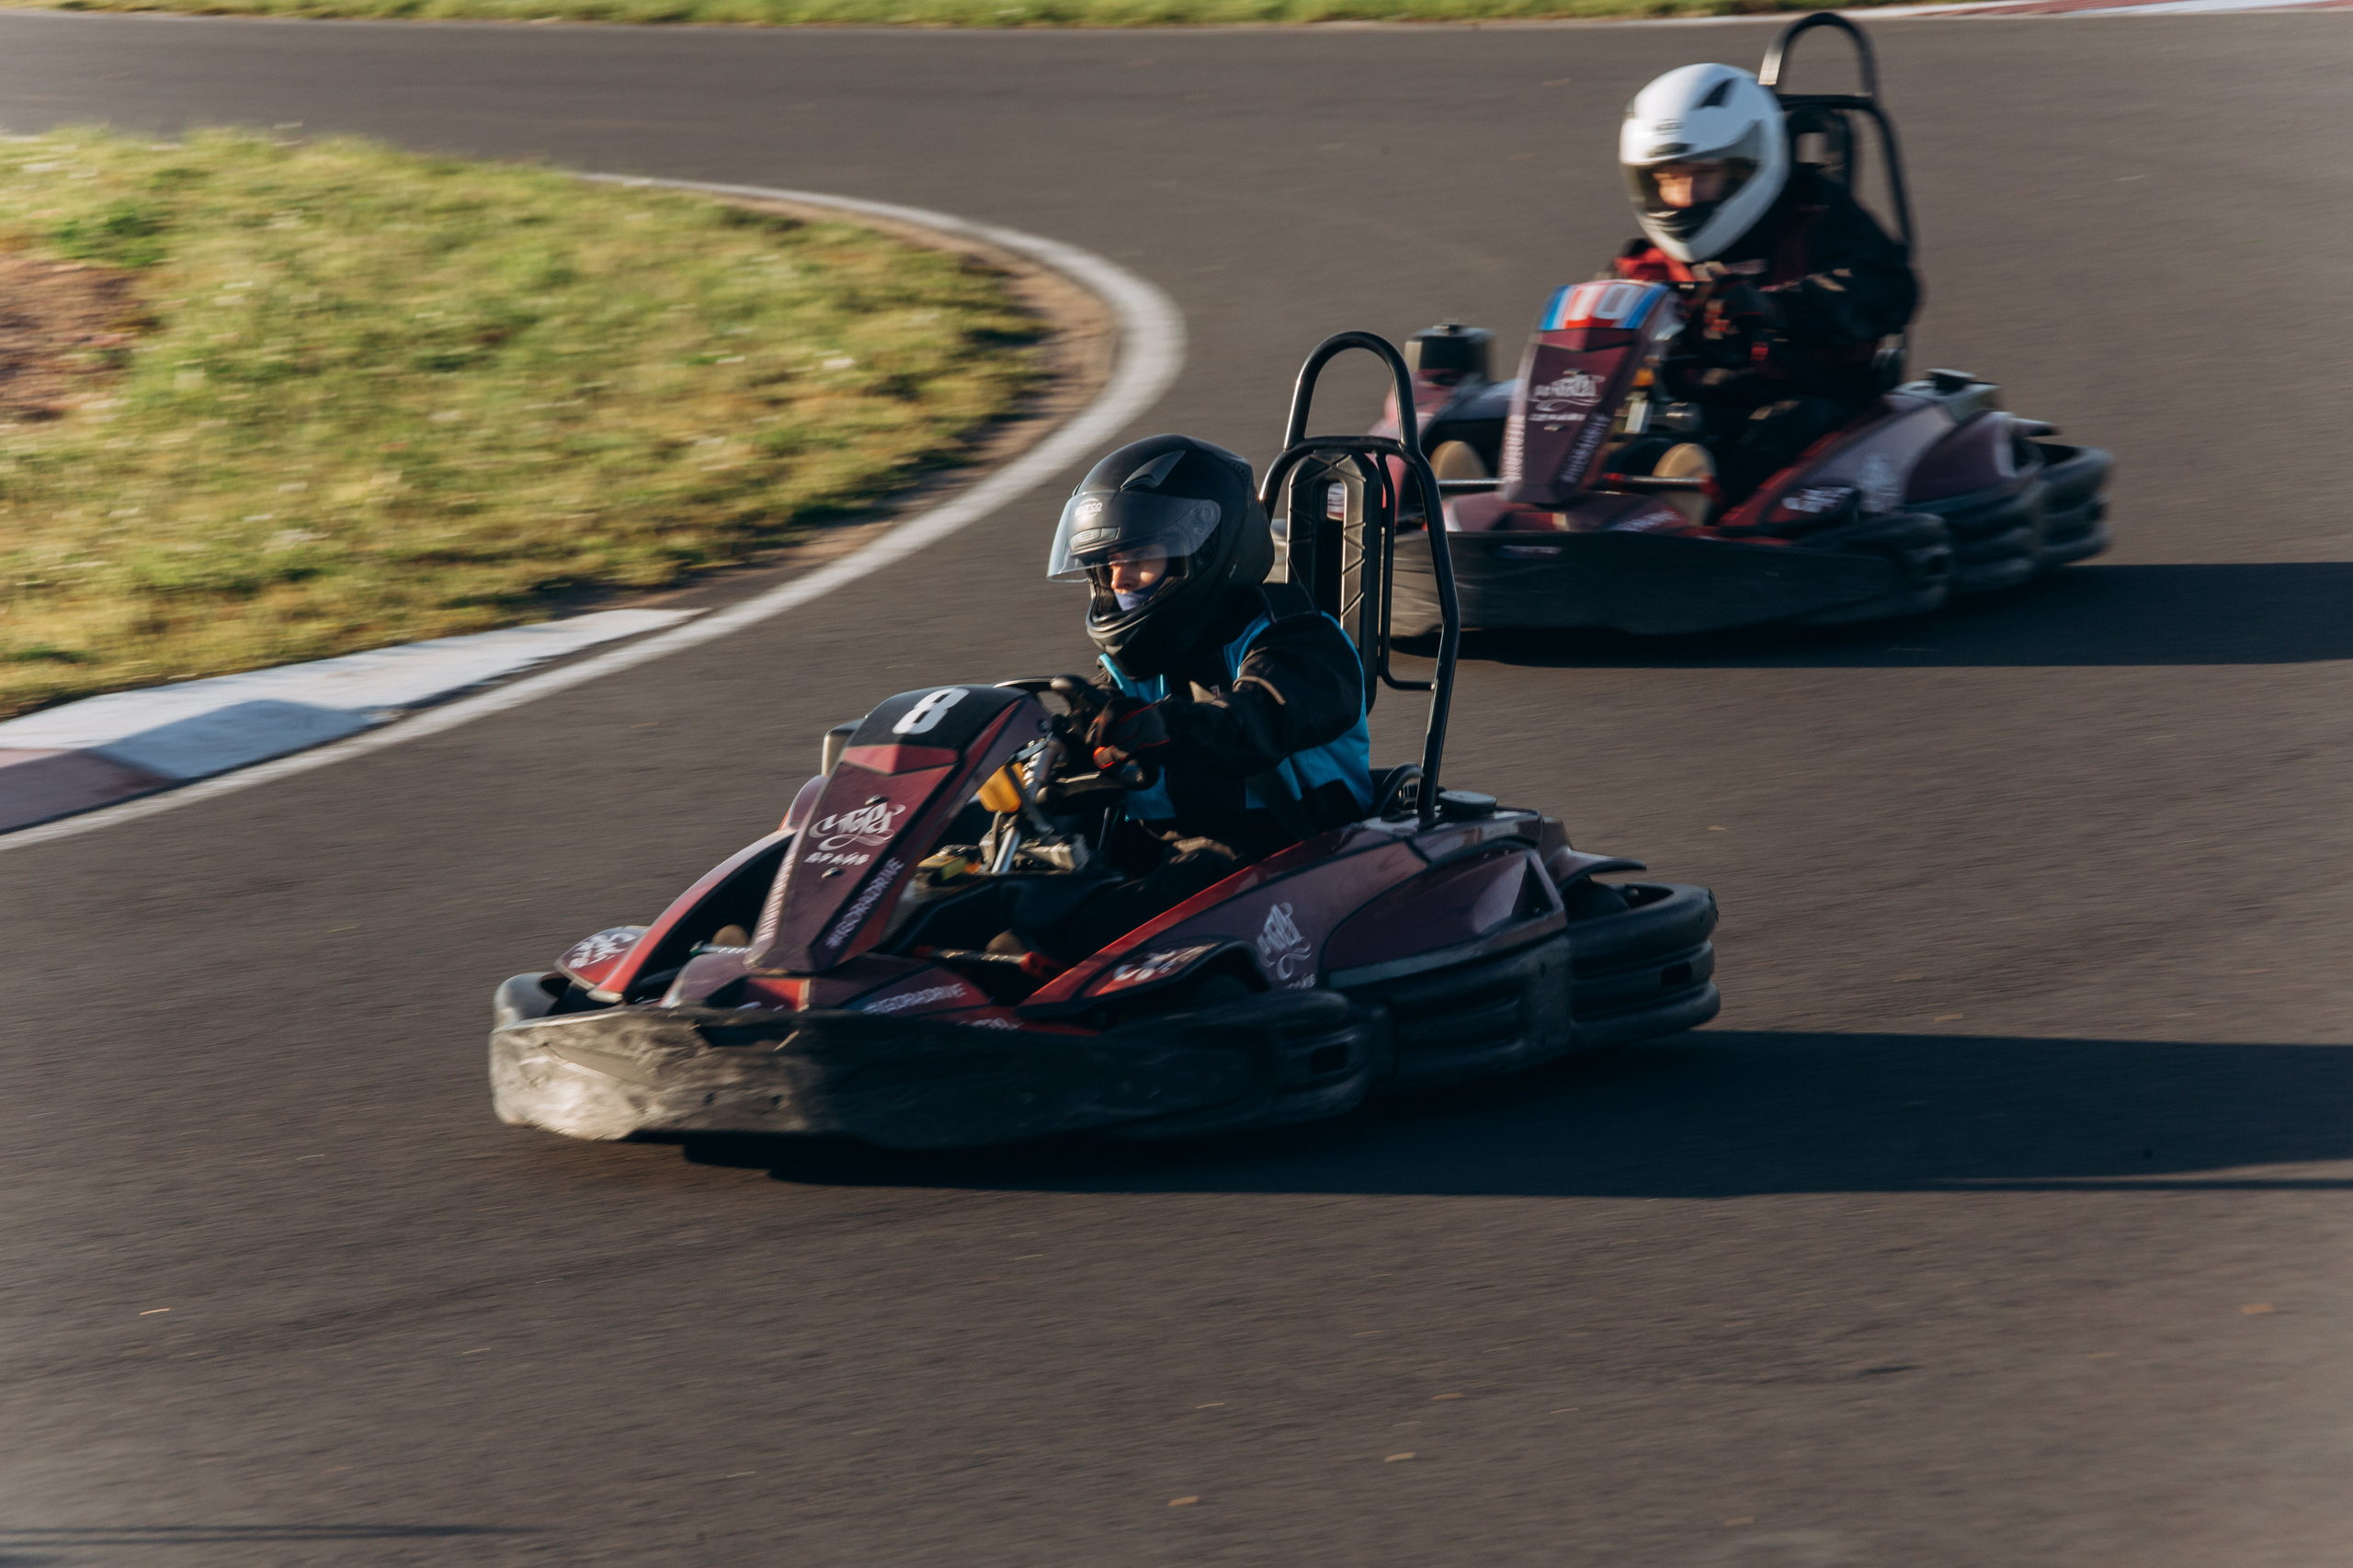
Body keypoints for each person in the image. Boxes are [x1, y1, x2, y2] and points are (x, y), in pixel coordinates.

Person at [1024, 433, 1372, 960]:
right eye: (1108, 562)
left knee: (1100, 925)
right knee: (1019, 883)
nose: (1119, 580)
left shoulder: (1301, 643)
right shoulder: (1131, 668)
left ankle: (1054, 986)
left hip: (1294, 858)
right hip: (1178, 852)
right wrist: (1063, 755)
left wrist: (1164, 729)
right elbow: (1101, 739)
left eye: (1139, 557)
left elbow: (1251, 722)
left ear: (1204, 553)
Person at [1611, 62, 1919, 507]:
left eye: (1703, 174)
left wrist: (1778, 309)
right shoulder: (1653, 261)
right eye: (1670, 179)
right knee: (1626, 442)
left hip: (1809, 404)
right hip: (1691, 412)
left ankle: (1699, 512)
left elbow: (1888, 289)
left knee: (1783, 427)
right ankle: (1532, 498)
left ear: (1748, 166)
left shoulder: (1814, 217)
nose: (1686, 196)